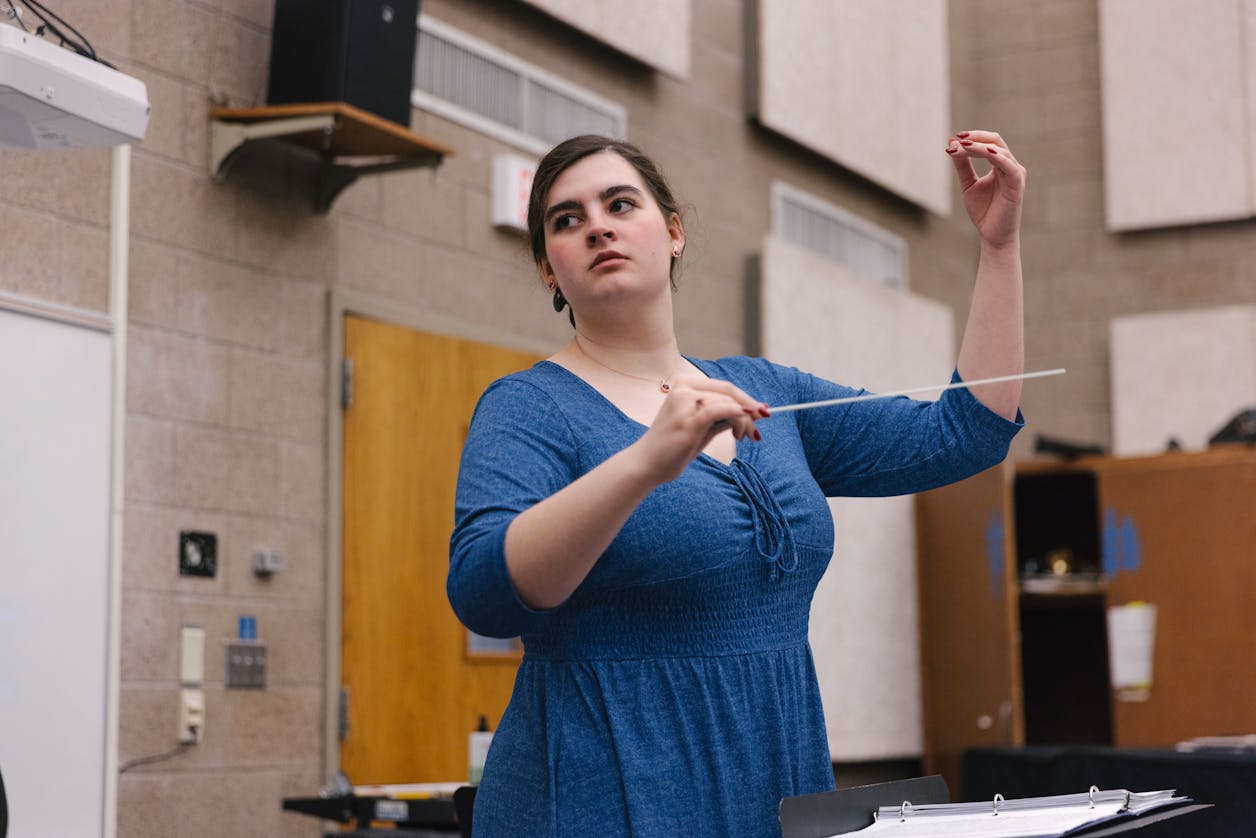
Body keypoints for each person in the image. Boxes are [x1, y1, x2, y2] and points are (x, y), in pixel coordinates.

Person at [448, 131, 1025, 836]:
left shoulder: (765, 391)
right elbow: (482, 591)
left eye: (619, 203)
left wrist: (998, 249)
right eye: (565, 220)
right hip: (605, 797)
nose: (596, 224)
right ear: (547, 268)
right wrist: (642, 465)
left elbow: (965, 433)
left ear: (673, 232)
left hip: (771, 784)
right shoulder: (528, 406)